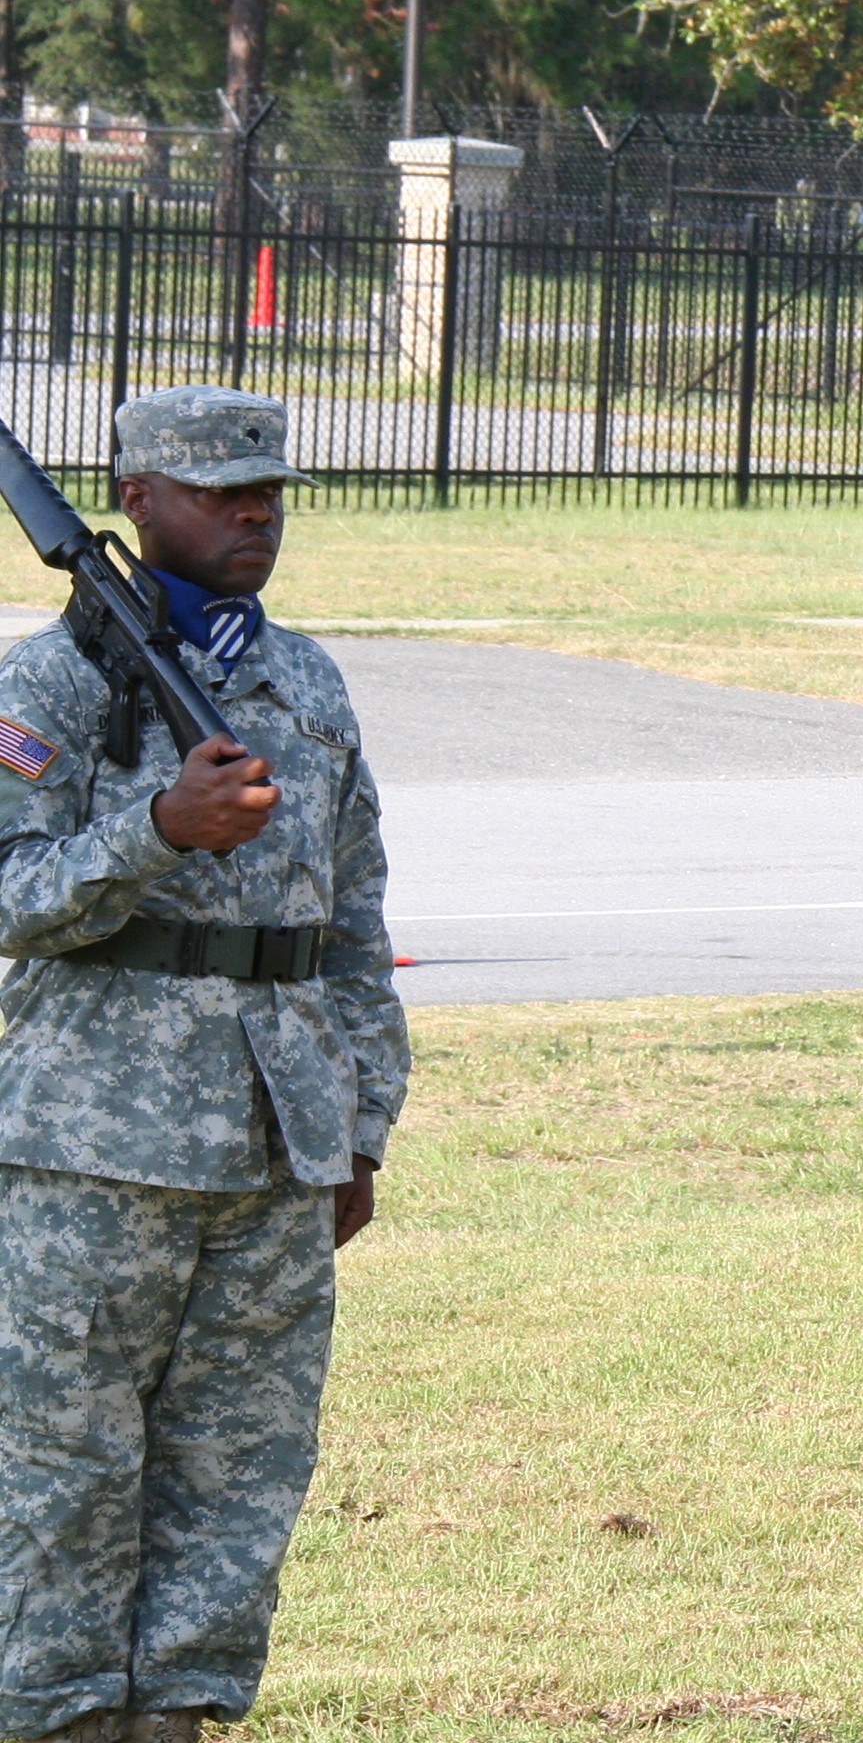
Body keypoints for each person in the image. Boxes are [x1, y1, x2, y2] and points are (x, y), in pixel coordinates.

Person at [0, 387, 406, 1743]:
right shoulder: (49, 684)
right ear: (137, 498)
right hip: (85, 1148)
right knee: (62, 1469)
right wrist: (154, 832)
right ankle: (56, 1722)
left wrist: (361, 1127)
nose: (253, 511)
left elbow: (352, 927)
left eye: (269, 490)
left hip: (275, 1145)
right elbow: (7, 895)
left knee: (239, 1470)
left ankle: (180, 1719)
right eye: (220, 489)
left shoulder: (309, 683)